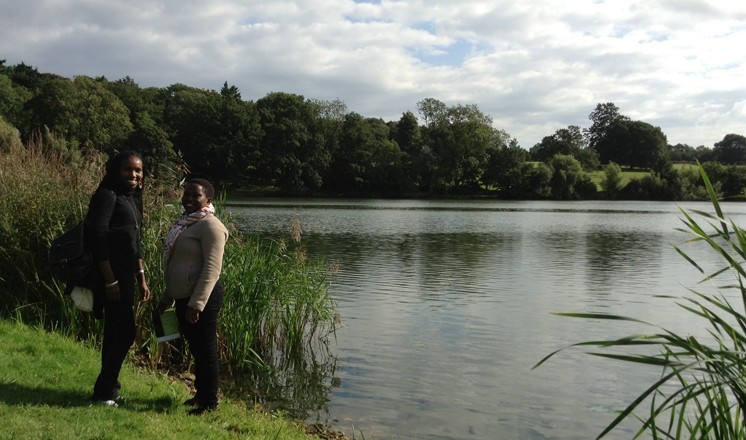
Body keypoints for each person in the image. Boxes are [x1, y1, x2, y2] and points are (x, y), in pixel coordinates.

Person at [159, 178, 228, 415]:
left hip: (202, 300)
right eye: (186, 195)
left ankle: (209, 402)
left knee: (205, 350)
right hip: (182, 297)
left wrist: (197, 304)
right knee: (196, 349)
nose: (188, 199)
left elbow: (212, 269)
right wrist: (168, 296)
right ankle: (201, 395)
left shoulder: (211, 226)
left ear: (208, 199)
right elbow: (179, 264)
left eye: (195, 196)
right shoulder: (186, 224)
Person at [87, 150, 151, 406]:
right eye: (128, 169)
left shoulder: (133, 199)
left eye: (138, 170)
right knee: (125, 332)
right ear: (116, 171)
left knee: (115, 332)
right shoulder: (106, 197)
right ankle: (105, 388)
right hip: (110, 274)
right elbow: (97, 238)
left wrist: (141, 277)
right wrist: (109, 279)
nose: (134, 175)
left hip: (126, 274)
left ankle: (108, 390)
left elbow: (134, 242)